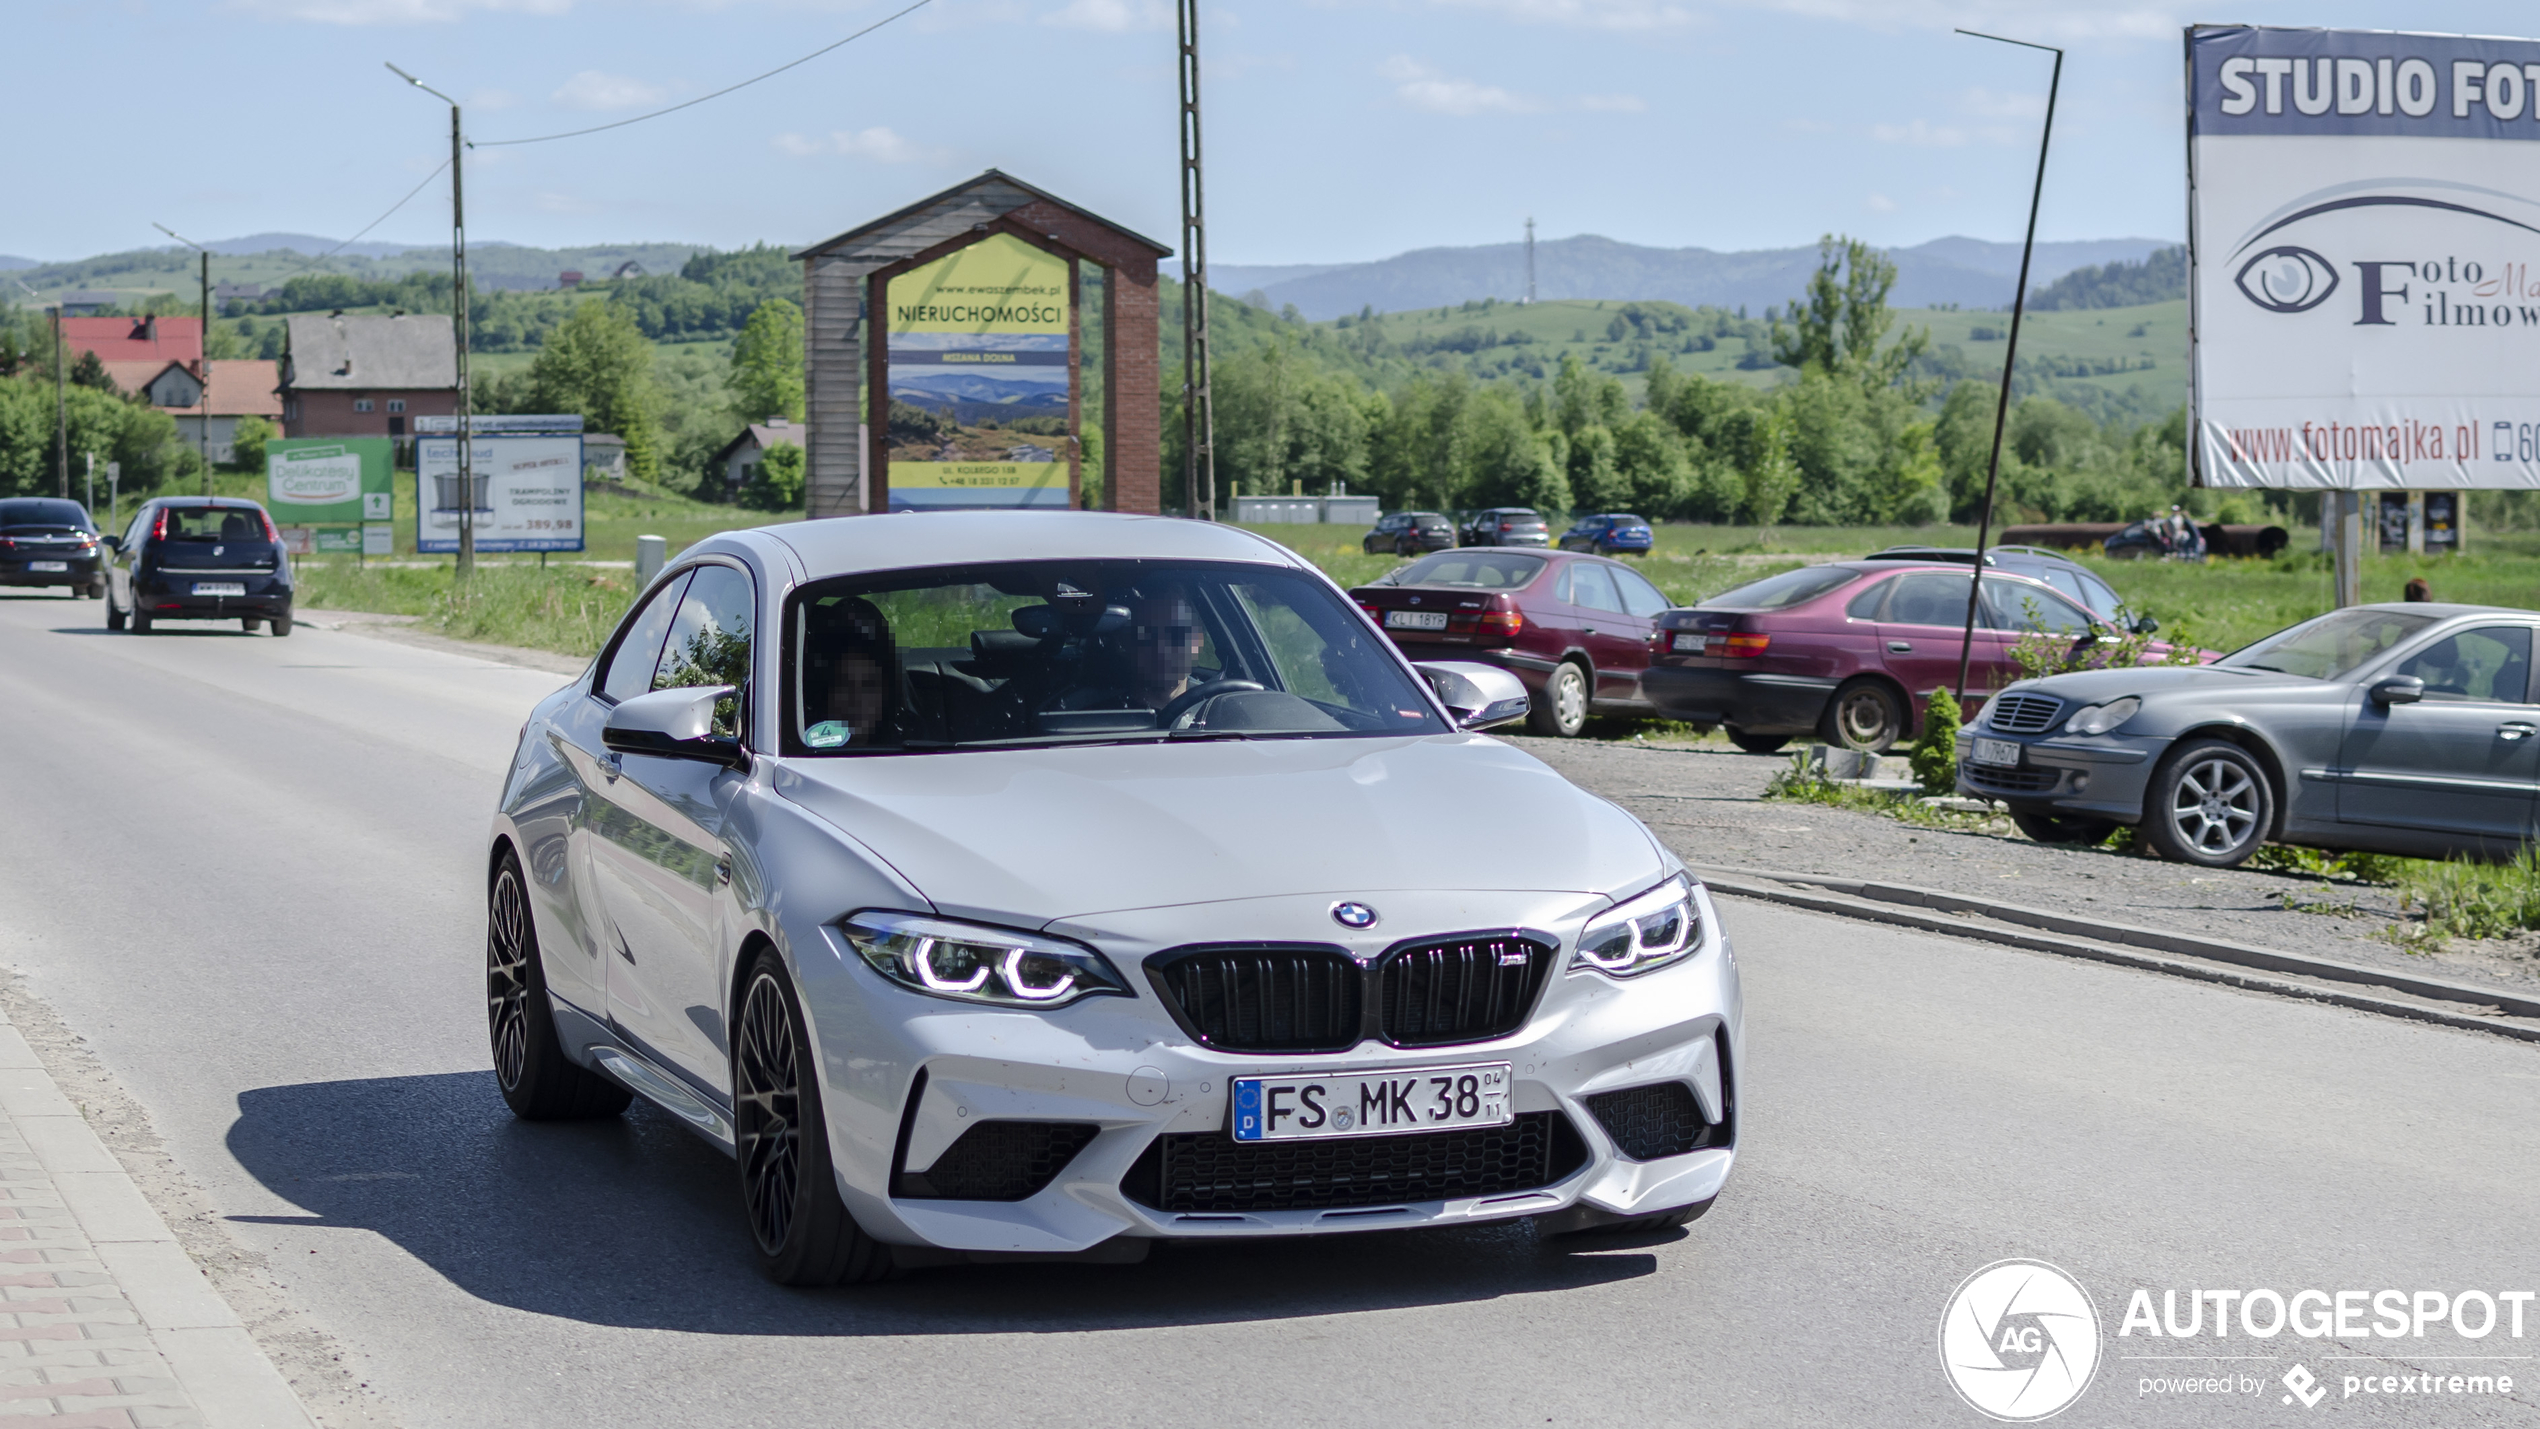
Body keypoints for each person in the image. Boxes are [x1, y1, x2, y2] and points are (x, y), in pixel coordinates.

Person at [802, 596, 896, 749]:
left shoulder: (908, 748)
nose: (855, 700)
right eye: (844, 685)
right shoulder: (799, 752)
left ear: (884, 695)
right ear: (826, 692)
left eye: (868, 687)